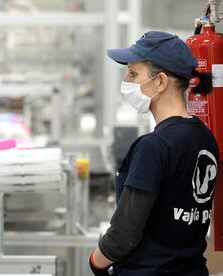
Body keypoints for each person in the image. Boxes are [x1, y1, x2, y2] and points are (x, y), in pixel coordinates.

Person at [89, 31, 219, 275]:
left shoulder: (154, 146)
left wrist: (96, 261)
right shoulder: (204, 137)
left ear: (160, 82)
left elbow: (124, 234)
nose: (126, 80)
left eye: (134, 73)